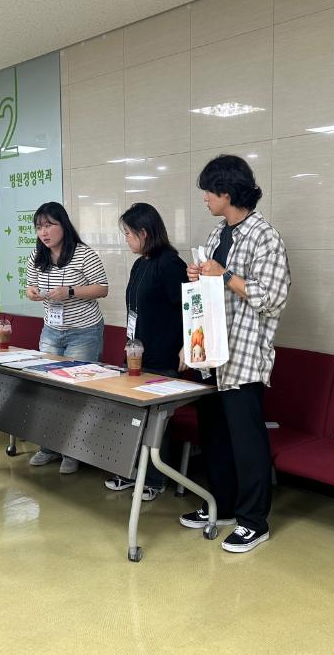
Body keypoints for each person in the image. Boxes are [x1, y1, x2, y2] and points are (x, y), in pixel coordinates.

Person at [179, 155, 290, 554]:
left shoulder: (264, 236)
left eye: (209, 192)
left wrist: (224, 276)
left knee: (246, 442)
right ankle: (222, 506)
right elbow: (206, 292)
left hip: (243, 355)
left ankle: (254, 521)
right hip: (211, 352)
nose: (205, 198)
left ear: (226, 193)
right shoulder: (217, 234)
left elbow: (272, 297)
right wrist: (199, 277)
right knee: (215, 438)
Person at [103, 203, 188, 501]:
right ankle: (131, 472)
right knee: (133, 416)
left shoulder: (170, 264)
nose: (125, 239)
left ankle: (154, 479)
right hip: (136, 355)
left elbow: (189, 309)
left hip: (163, 354)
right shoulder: (141, 264)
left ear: (144, 232)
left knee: (156, 421)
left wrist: (185, 346)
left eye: (128, 233)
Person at [25, 202, 109, 474]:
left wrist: (70, 291)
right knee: (48, 389)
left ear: (63, 225)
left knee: (75, 392)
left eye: (49, 225)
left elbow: (102, 288)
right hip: (51, 330)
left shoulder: (84, 254)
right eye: (39, 227)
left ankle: (72, 452)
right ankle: (48, 447)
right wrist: (32, 292)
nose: (43, 232)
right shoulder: (37, 256)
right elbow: (30, 285)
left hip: (83, 332)